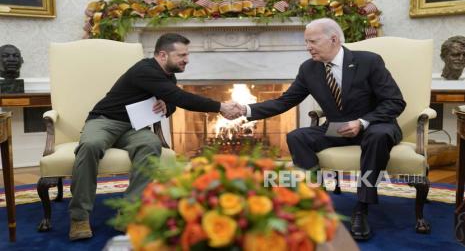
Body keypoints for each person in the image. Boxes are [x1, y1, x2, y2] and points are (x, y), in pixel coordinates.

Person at [225, 18, 406, 240]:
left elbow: (395, 102)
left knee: (378, 136)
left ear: (333, 39)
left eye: (312, 41)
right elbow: (285, 101)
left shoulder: (369, 61)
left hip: (375, 126)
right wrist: (245, 109)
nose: (307, 47)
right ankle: (314, 200)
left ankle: (362, 208)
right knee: (297, 136)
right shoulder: (309, 69)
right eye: (306, 42)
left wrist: (362, 122)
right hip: (338, 129)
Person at [68, 33, 239, 241]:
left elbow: (172, 101)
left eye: (187, 54)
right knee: (90, 145)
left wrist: (167, 107)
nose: (187, 59)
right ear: (162, 54)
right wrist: (220, 107)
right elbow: (180, 97)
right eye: (182, 55)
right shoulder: (144, 70)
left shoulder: (168, 74)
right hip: (105, 121)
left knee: (151, 143)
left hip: (133, 127)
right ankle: (79, 217)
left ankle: (129, 213)